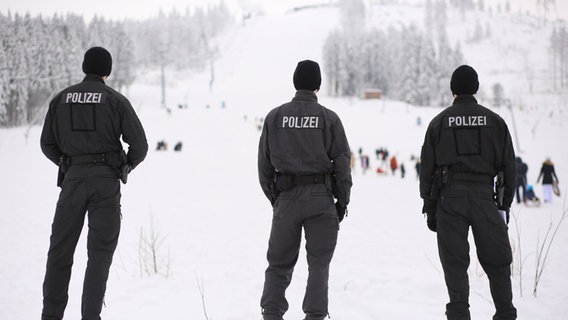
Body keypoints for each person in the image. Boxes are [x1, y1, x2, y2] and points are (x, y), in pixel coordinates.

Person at [40, 46, 148, 320]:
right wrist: (126, 165)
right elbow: (140, 145)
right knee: (99, 254)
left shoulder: (61, 99)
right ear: (106, 71)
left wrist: (68, 164)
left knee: (60, 252)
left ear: (84, 67)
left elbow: (47, 144)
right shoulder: (115, 100)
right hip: (105, 182)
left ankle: (50, 315)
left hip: (72, 181)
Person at [419, 65, 517, 320]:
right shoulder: (496, 122)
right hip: (485, 195)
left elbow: (427, 169)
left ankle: (459, 313)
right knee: (497, 261)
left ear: (453, 90)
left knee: (454, 261)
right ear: (476, 88)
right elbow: (509, 167)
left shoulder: (439, 122)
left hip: (449, 198)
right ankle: (505, 312)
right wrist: (503, 206)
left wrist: (431, 209)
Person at [257, 59, 352, 320]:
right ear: (318, 85)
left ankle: (272, 314)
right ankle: (315, 316)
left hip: (286, 197)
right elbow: (342, 164)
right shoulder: (329, 119)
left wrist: (277, 197)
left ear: (295, 82)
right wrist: (342, 201)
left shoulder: (274, 117)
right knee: (319, 265)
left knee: (278, 265)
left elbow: (263, 165)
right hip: (321, 198)